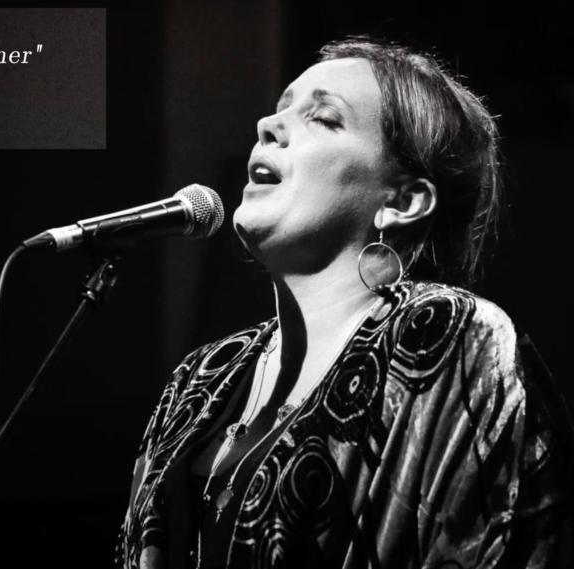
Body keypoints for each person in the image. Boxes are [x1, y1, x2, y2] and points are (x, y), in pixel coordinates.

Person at [116, 38, 574, 569]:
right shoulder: (200, 376)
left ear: (402, 201)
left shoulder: (445, 338)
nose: (268, 125)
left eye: (324, 118)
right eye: (282, 106)